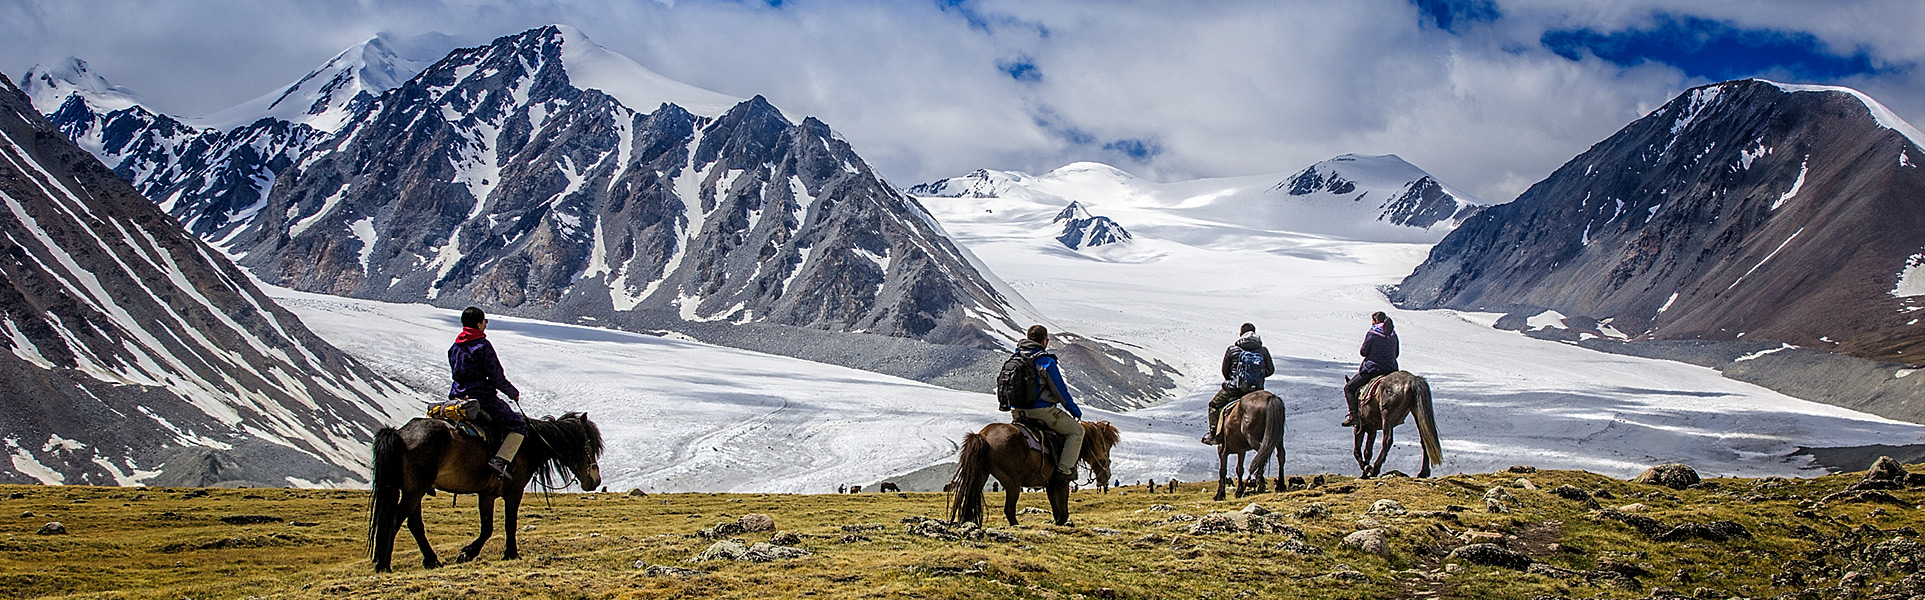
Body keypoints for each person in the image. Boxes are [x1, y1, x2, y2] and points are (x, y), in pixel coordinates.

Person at [448, 306, 529, 479]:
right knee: (518, 425)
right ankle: (500, 460)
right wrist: (512, 392)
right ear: (478, 324)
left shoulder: (455, 347)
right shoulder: (482, 346)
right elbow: (495, 376)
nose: (485, 325)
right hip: (481, 398)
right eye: (485, 321)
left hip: (456, 397)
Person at [1009, 324, 1084, 484]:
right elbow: (1060, 391)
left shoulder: (1015, 358)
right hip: (1042, 412)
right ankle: (1063, 471)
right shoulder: (1045, 361)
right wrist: (1074, 411)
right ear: (1045, 341)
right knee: (1077, 432)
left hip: (1018, 413)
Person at [1201, 323, 1275, 445]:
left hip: (1235, 388)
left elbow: (1225, 370)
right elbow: (1270, 370)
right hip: (1256, 391)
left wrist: (1234, 381)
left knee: (1214, 405)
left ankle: (1214, 435)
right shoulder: (1263, 350)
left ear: (1241, 334)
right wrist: (1256, 377)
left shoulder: (1233, 349)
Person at [1342, 311, 1399, 427]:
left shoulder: (1372, 333)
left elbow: (1363, 352)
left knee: (1349, 388)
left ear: (1375, 321)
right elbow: (1396, 354)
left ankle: (1354, 416)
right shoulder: (1393, 334)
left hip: (1373, 369)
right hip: (1391, 370)